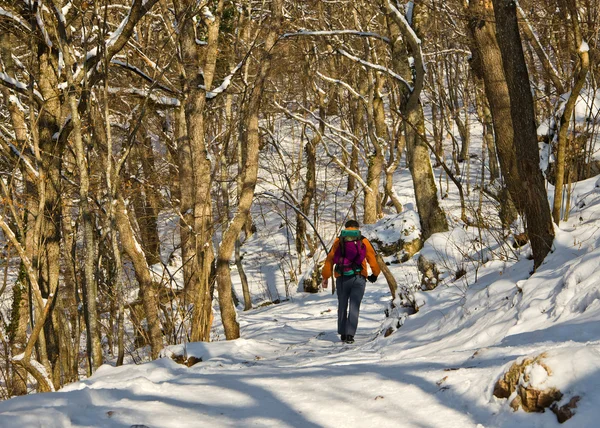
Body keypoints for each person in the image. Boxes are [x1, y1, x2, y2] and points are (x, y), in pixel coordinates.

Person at [321, 220, 381, 343]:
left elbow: (330, 259)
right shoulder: (363, 240)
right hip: (359, 277)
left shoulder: (339, 240)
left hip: (342, 277)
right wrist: (375, 274)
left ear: (346, 228)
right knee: (354, 306)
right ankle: (350, 335)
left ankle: (342, 333)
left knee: (342, 305)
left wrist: (325, 277)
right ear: (357, 228)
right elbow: (372, 259)